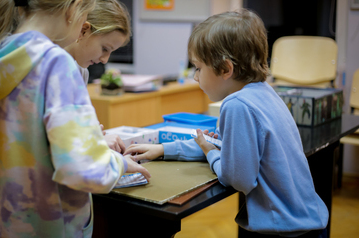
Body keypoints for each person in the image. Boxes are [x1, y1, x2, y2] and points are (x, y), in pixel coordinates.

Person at [124, 9, 328, 238]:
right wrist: (163, 149)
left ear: (225, 69)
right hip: (306, 220)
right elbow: (222, 144)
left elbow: (238, 178)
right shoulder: (263, 93)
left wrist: (211, 154)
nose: (195, 77)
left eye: (199, 68)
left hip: (283, 228)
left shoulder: (237, 105)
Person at [0, 0, 150, 237]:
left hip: (0, 222)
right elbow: (82, 169)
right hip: (49, 225)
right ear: (74, 9)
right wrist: (119, 163)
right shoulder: (57, 64)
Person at [64, 0, 130, 153]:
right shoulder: (57, 68)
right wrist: (93, 139)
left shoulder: (81, 71)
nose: (105, 59)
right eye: (104, 49)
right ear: (84, 30)